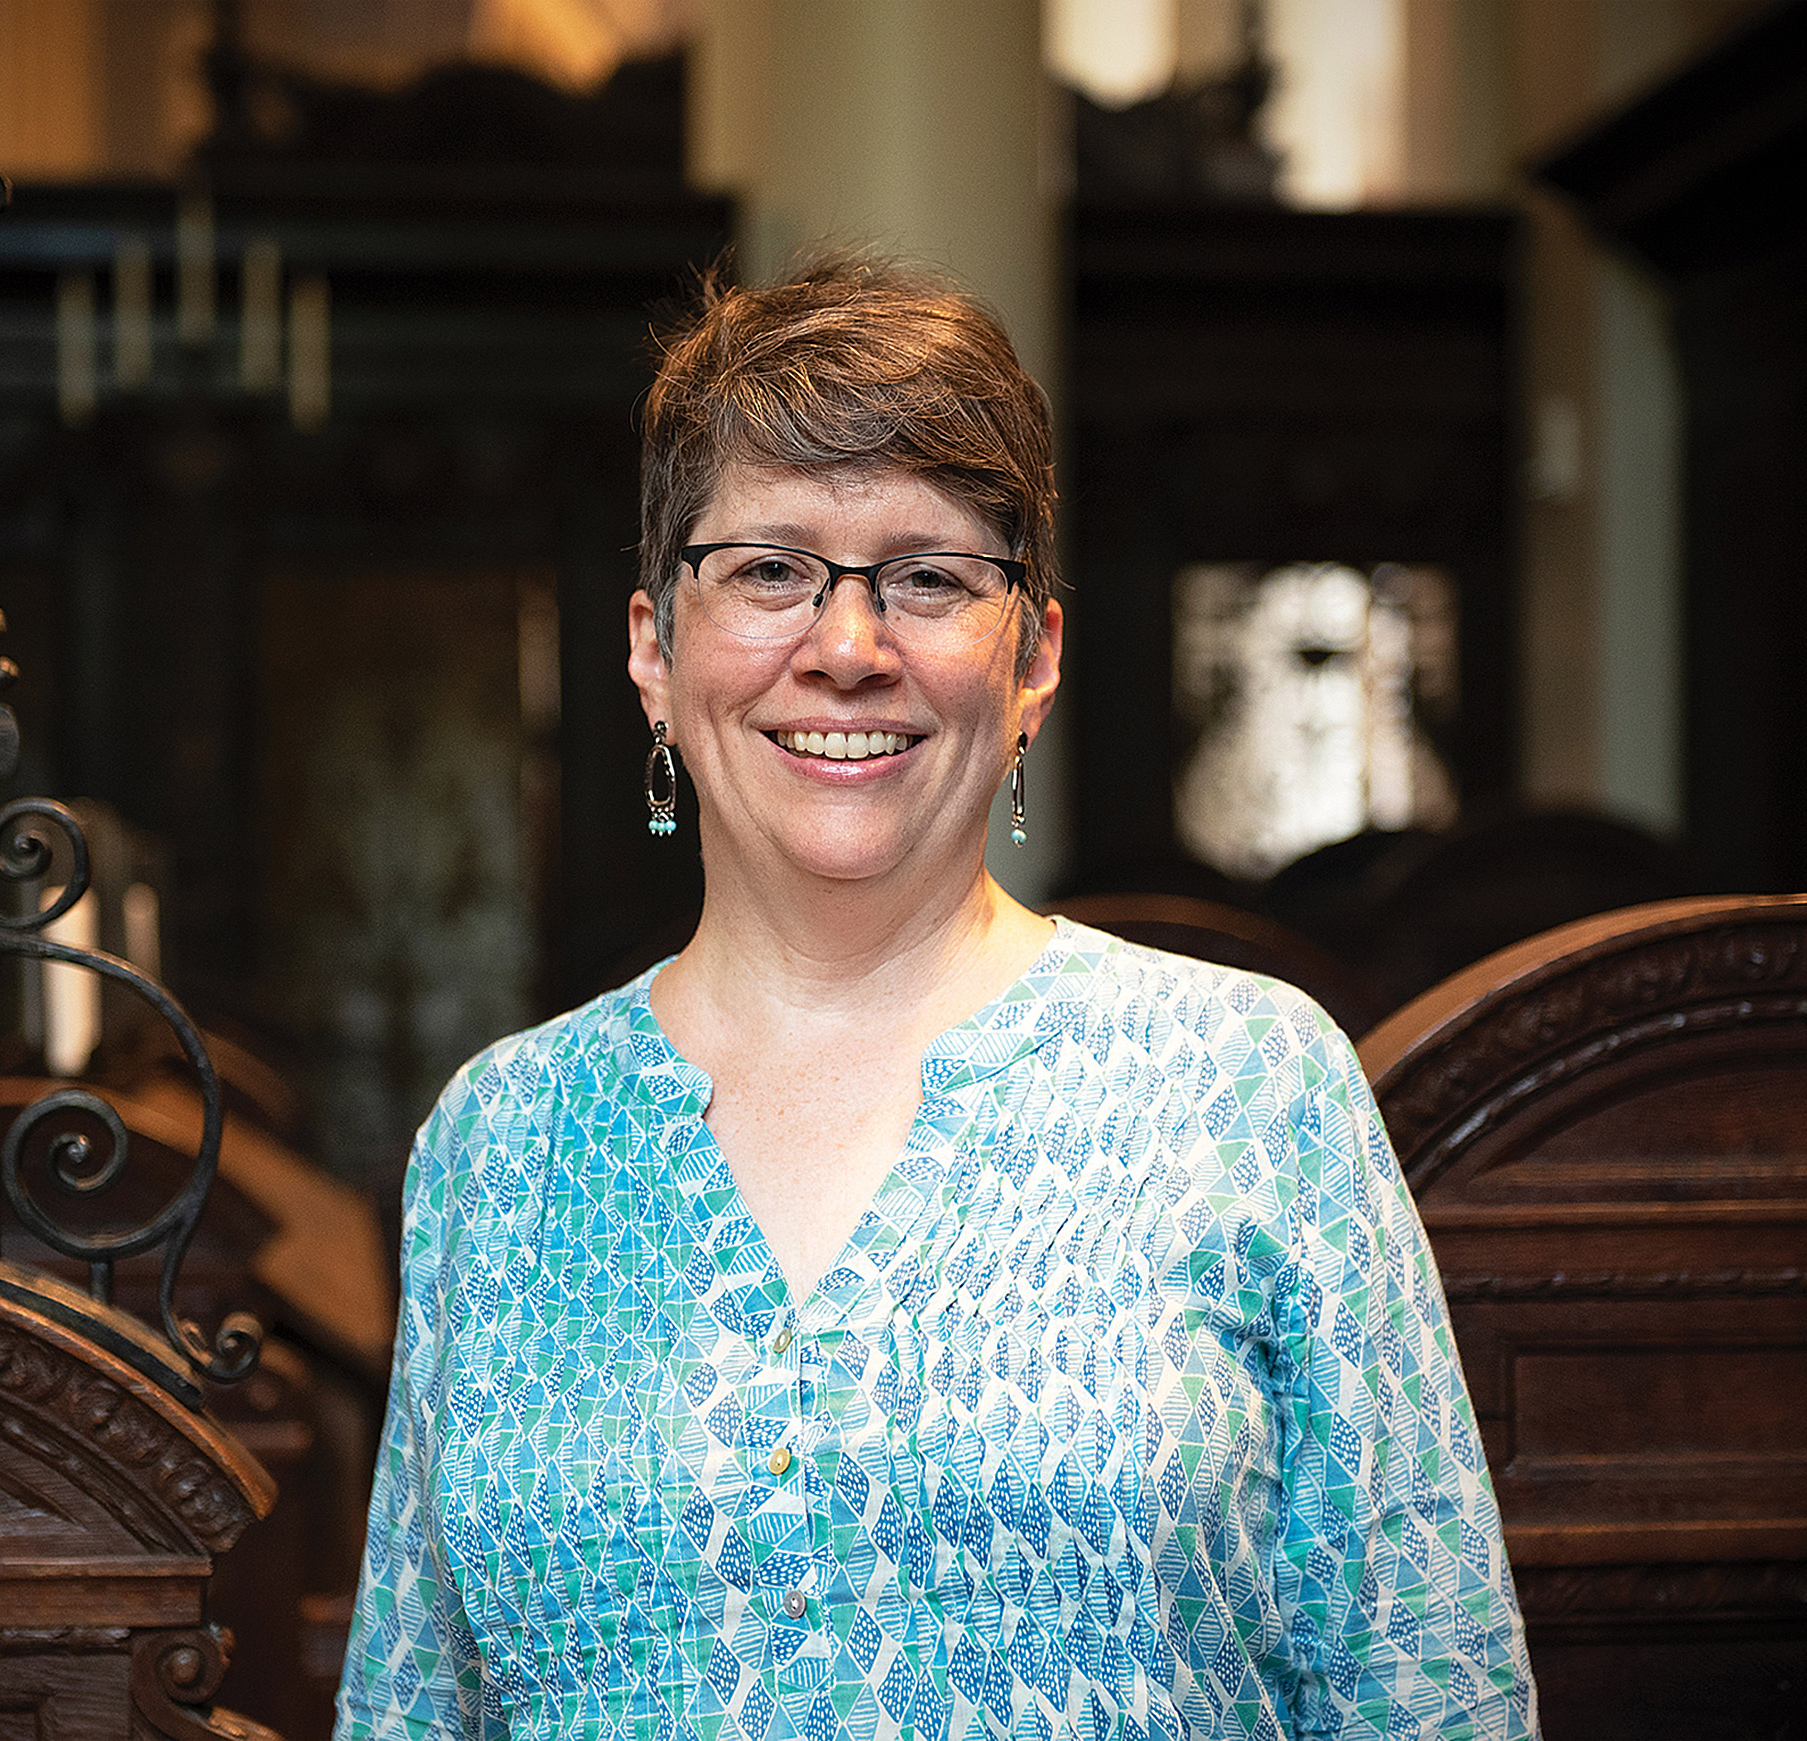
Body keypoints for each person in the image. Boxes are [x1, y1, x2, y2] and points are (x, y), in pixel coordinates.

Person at [338, 257, 1536, 1741]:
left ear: (1032, 655)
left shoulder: (1248, 1081)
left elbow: (1434, 1694)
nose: (848, 649)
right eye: (769, 568)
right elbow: (409, 1708)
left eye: (931, 576)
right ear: (654, 648)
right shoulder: (498, 1143)